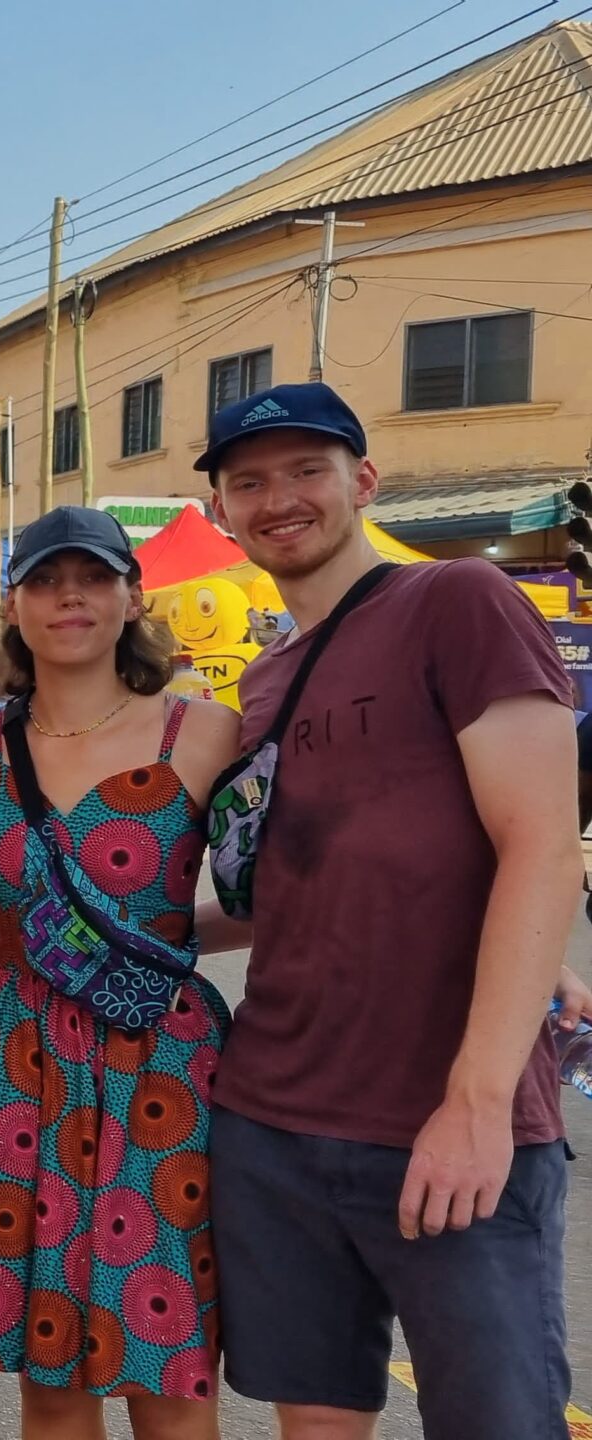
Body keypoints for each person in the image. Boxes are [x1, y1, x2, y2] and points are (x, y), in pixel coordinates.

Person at [194, 384, 578, 1437]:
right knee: (315, 1423)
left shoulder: (456, 601)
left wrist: (477, 1100)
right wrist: (116, 941)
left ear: (362, 481)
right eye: (248, 482)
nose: (278, 499)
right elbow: (293, 893)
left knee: (497, 1422)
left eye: (305, 470)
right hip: (272, 1117)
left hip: (444, 1121)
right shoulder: (262, 685)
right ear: (222, 513)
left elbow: (541, 847)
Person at [0, 508, 240, 1436]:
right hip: (11, 1064)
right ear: (13, 606)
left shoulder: (206, 732)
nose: (71, 595)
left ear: (132, 596)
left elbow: (288, 886)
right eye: (46, 579)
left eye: (95, 577)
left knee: (165, 1361)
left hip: (158, 1066)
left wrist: (167, 948)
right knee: (49, 1373)